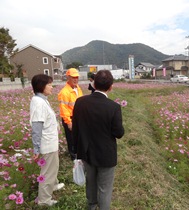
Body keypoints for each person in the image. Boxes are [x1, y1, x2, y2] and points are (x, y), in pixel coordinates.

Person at [72, 70, 125, 210]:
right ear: (111, 86)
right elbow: (118, 133)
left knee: (91, 182)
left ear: (93, 84)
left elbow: (75, 128)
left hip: (87, 152)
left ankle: (91, 206)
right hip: (106, 155)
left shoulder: (80, 102)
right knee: (104, 189)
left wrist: (75, 152)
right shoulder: (113, 107)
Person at [30, 74, 64, 207]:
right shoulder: (38, 102)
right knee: (48, 171)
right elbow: (37, 127)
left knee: (52, 167)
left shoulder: (42, 99)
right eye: (49, 84)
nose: (51, 87)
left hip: (50, 141)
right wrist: (36, 148)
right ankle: (44, 200)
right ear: (41, 86)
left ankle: (53, 185)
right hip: (47, 143)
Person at [58, 68, 83, 160]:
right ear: (68, 77)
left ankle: (79, 154)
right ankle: (73, 156)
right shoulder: (64, 92)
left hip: (78, 117)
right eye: (73, 77)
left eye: (77, 77)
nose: (75, 79)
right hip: (70, 118)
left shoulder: (78, 88)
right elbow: (63, 109)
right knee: (71, 138)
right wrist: (68, 122)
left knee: (78, 136)